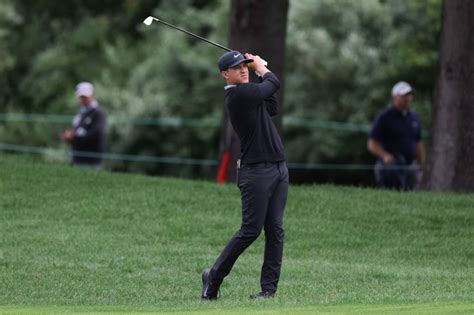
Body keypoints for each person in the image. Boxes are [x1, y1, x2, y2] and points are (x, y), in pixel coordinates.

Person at [201, 51, 289, 300]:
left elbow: (271, 103)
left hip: (278, 167)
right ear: (224, 74)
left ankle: (268, 290)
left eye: (245, 66)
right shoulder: (236, 95)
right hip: (256, 171)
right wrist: (262, 68)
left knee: (275, 229)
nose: (243, 70)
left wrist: (261, 73)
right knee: (251, 230)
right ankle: (213, 278)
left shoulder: (249, 94)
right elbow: (274, 83)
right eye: (236, 67)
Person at [367, 81, 425, 190]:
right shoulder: (384, 117)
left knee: (411, 199)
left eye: (409, 95)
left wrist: (422, 163)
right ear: (395, 97)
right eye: (404, 95)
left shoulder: (414, 117)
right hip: (390, 167)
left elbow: (418, 142)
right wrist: (385, 156)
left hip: (411, 167)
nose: (407, 98)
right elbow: (372, 143)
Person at [61, 82, 106, 169]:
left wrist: (75, 137)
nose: (82, 100)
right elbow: (77, 130)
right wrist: (69, 136)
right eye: (81, 97)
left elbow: (96, 133)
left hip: (92, 160)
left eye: (84, 97)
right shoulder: (81, 113)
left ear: (92, 96)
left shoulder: (99, 113)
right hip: (78, 158)